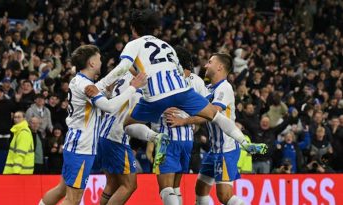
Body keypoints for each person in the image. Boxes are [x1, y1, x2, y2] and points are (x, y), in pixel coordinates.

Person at [84, 9, 268, 171]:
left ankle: (157, 138)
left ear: (134, 29)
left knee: (128, 124)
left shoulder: (134, 44)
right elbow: (179, 71)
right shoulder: (167, 46)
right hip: (181, 91)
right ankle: (244, 142)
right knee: (216, 115)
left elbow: (122, 67)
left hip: (155, 97)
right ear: (155, 29)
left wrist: (98, 86)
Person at [39, 45, 146, 205]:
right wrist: (133, 88)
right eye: (99, 59)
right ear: (92, 63)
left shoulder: (80, 80)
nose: (101, 61)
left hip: (74, 142)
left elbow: (101, 86)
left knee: (61, 189)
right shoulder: (86, 86)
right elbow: (109, 107)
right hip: (82, 146)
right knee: (73, 199)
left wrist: (109, 88)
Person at [165, 53, 246, 205]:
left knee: (224, 196)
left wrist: (184, 121)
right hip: (214, 150)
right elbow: (192, 104)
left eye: (210, 62)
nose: (205, 65)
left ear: (220, 67)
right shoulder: (208, 88)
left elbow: (211, 114)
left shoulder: (225, 87)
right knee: (201, 189)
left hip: (226, 149)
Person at [146, 46, 209, 205]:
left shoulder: (163, 79)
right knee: (176, 188)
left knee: (166, 190)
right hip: (187, 141)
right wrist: (190, 122)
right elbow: (208, 114)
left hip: (167, 139)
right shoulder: (197, 81)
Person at [96, 72, 141, 205]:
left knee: (113, 183)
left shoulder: (123, 74)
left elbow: (108, 92)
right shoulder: (141, 81)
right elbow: (135, 116)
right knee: (129, 185)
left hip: (104, 132)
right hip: (116, 137)